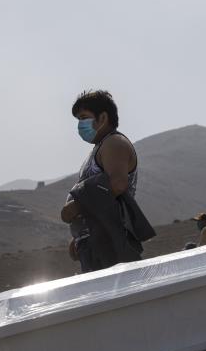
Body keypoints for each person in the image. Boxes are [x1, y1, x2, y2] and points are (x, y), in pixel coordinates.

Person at [60, 90, 155, 272]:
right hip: (96, 241)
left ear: (102, 118)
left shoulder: (114, 143)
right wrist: (80, 236)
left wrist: (76, 208)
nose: (80, 125)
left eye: (84, 117)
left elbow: (118, 184)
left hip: (108, 241)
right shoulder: (100, 147)